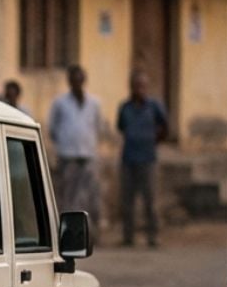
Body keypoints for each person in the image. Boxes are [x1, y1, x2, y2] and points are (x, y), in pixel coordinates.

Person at [115, 69, 169, 247]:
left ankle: (153, 236)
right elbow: (121, 127)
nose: (140, 89)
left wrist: (153, 141)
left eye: (143, 86)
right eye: (136, 85)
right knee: (127, 201)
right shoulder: (125, 107)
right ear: (131, 87)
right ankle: (128, 237)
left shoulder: (154, 106)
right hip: (129, 158)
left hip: (148, 159)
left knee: (150, 200)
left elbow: (164, 127)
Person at [47, 64, 106, 227]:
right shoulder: (60, 103)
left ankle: (90, 230)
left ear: (84, 80)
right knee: (67, 196)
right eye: (74, 80)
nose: (77, 82)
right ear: (69, 82)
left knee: (91, 195)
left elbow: (99, 126)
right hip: (68, 156)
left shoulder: (94, 103)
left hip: (88, 155)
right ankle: (67, 229)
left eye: (80, 79)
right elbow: (52, 128)